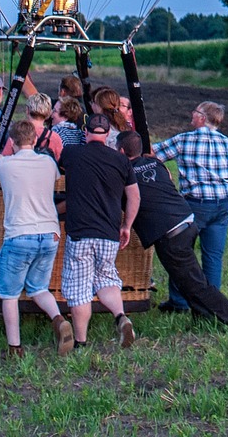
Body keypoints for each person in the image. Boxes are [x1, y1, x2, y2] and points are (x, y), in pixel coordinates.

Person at [119, 132, 228, 327]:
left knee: (195, 284)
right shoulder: (156, 164)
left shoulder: (125, 172)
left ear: (121, 151)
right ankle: (203, 319)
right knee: (188, 280)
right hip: (186, 221)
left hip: (170, 234)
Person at [0, 118, 76, 358]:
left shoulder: (5, 165)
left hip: (20, 235)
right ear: (34, 140)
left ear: (11, 142)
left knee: (10, 295)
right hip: (50, 233)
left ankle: (14, 347)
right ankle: (58, 318)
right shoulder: (48, 163)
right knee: (39, 288)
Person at [58, 112, 141, 349]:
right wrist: (126, 226)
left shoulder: (72, 154)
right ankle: (120, 316)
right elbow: (134, 194)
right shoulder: (121, 160)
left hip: (80, 232)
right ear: (107, 134)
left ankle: (81, 341)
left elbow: (60, 168)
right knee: (106, 278)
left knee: (79, 288)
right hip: (109, 233)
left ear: (86, 132)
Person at [152, 100, 228, 290]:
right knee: (213, 256)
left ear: (202, 118)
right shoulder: (227, 143)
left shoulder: (184, 140)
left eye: (195, 112)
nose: (191, 114)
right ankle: (212, 301)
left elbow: (152, 153)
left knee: (181, 252)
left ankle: (179, 301)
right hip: (222, 204)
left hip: (195, 204)